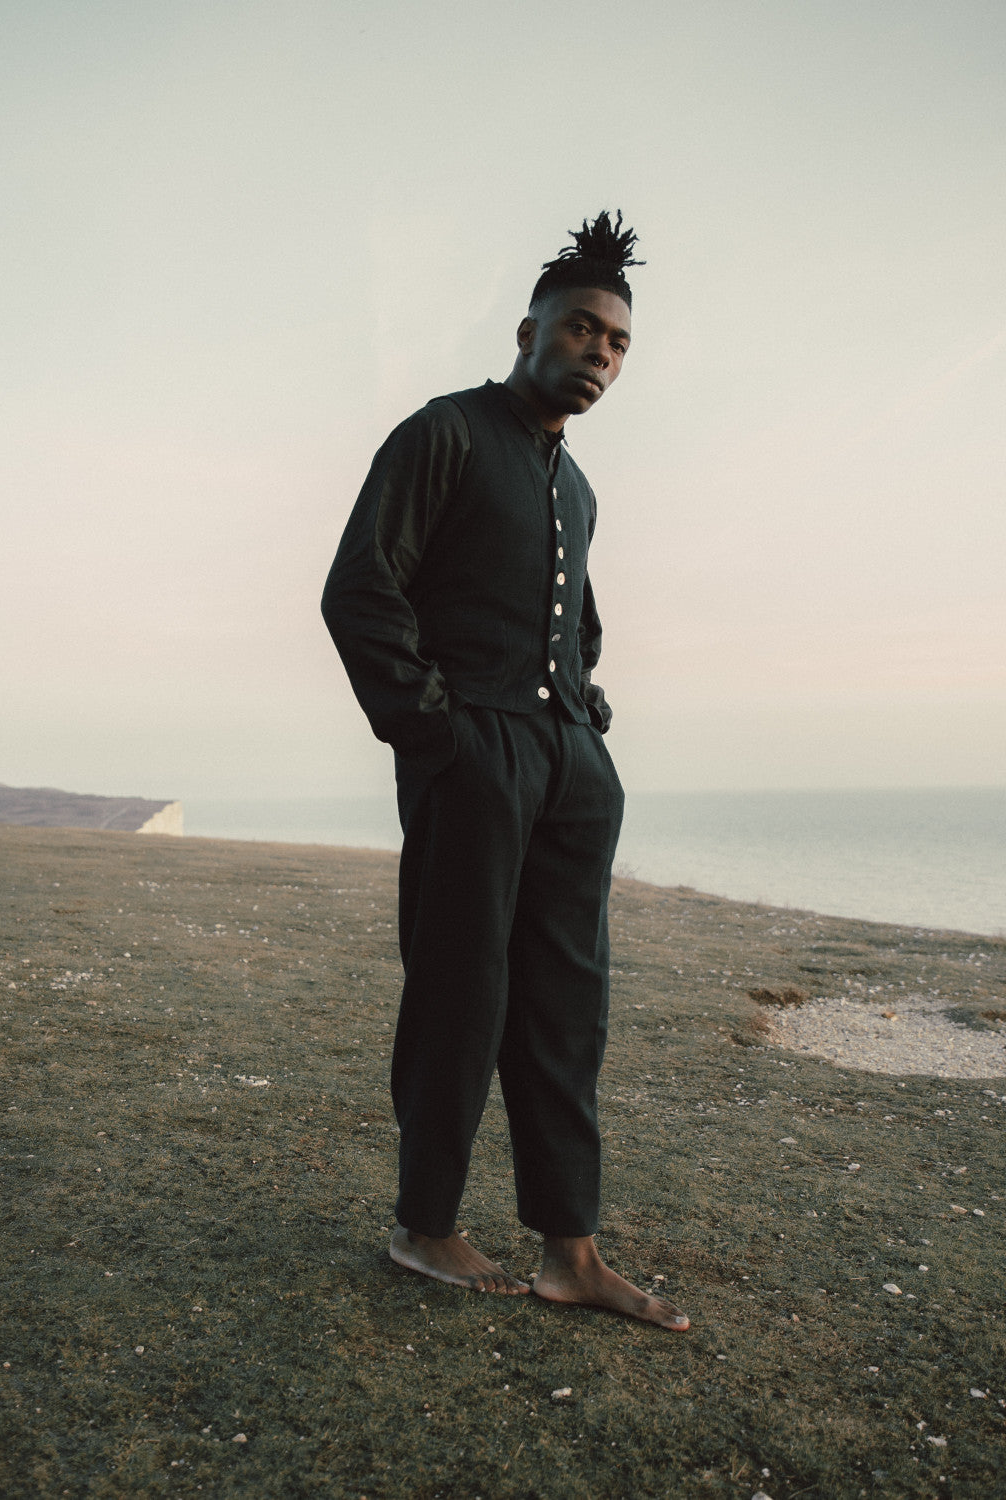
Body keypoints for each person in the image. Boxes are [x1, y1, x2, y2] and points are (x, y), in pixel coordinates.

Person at [320, 212, 688, 1331]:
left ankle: (569, 1251)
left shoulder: (577, 487)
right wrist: (437, 735)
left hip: (569, 768)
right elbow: (360, 590)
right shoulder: (445, 433)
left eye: (618, 343)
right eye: (581, 329)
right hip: (474, 755)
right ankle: (425, 1225)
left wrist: (585, 720)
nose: (599, 354)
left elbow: (579, 624)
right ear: (528, 330)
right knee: (460, 993)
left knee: (568, 1005)